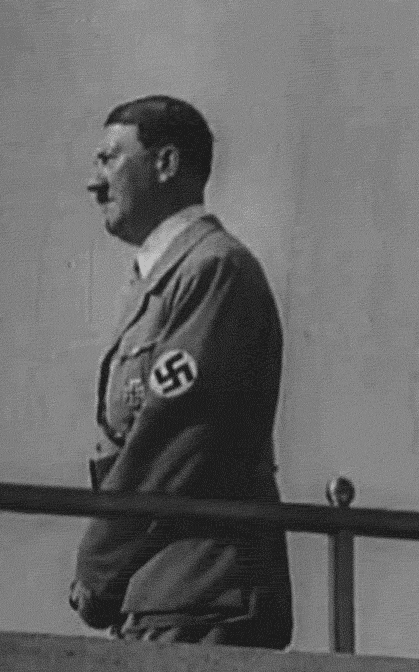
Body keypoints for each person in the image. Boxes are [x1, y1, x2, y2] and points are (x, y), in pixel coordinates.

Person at [69, 95, 293, 648]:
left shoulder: (214, 270)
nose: (95, 183)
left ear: (166, 163)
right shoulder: (163, 280)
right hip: (158, 596)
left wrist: (98, 564)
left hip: (205, 594)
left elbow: (174, 441)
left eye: (110, 159)